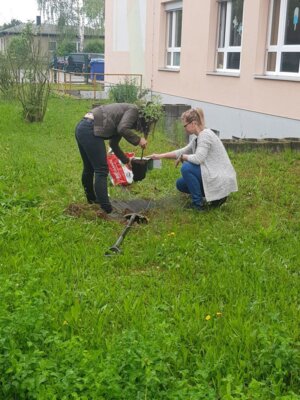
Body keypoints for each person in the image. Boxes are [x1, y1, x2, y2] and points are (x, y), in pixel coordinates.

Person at [150, 108, 238, 211]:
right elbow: (182, 151)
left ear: (193, 123)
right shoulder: (198, 137)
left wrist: (183, 157)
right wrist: (160, 156)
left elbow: (198, 159)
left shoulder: (205, 135)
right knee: (181, 184)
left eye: (185, 125)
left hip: (220, 180)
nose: (184, 128)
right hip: (214, 176)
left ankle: (198, 205)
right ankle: (214, 199)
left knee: (186, 168)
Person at [75, 103, 148, 214]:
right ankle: (106, 208)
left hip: (82, 127)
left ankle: (92, 201)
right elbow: (123, 129)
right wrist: (138, 140)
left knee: (89, 167)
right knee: (102, 169)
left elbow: (113, 144)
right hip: (90, 129)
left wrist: (126, 160)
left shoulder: (119, 118)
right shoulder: (134, 109)